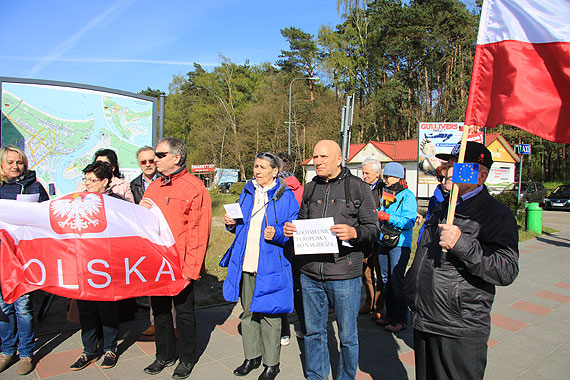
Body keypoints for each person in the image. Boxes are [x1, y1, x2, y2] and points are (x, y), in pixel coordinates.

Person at [404, 141, 519, 380]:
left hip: (459, 326)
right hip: (426, 317)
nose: (451, 171)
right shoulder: (444, 206)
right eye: (451, 165)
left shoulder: (496, 214)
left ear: (482, 175)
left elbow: (506, 270)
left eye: (461, 166)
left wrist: (462, 244)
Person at [283, 140, 379, 380]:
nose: (317, 161)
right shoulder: (310, 188)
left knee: (347, 336)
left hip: (345, 274)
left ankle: (346, 376)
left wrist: (355, 233)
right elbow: (303, 222)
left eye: (323, 157)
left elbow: (373, 230)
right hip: (310, 274)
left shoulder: (358, 188)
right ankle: (316, 376)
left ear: (339, 159)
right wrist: (293, 230)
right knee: (314, 332)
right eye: (315, 157)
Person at [222, 152, 299, 380]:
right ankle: (251, 356)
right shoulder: (247, 192)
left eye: (263, 167)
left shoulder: (286, 196)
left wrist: (277, 233)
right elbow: (241, 225)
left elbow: (293, 226)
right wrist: (232, 223)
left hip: (272, 264)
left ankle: (271, 364)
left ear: (275, 171)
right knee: (248, 312)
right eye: (255, 166)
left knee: (270, 315)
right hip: (246, 261)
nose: (257, 171)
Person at [140, 137, 212, 380]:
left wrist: (191, 268)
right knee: (159, 312)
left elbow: (199, 232)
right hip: (157, 263)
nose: (154, 160)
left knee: (184, 314)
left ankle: (186, 359)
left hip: (181, 264)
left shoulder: (194, 188)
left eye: (159, 155)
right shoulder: (154, 186)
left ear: (176, 157)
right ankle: (164, 356)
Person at [0, 145, 49, 376]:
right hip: (2, 258)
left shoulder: (34, 186)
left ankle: (26, 353)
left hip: (25, 258)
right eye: (10, 162)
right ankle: (6, 351)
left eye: (18, 162)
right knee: (4, 307)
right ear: (2, 164)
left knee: (23, 307)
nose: (14, 166)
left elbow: (47, 215)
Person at [69, 161, 122, 371]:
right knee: (86, 309)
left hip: (107, 264)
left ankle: (110, 348)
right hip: (83, 262)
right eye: (86, 179)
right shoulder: (77, 201)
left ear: (105, 182)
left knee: (107, 308)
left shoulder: (117, 203)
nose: (87, 184)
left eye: (93, 180)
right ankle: (89, 349)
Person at [375, 162, 416, 333]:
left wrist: (388, 217)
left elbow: (409, 221)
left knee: (396, 281)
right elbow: (381, 211)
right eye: (384, 177)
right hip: (383, 241)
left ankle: (401, 319)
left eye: (388, 177)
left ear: (398, 177)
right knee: (385, 280)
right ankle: (390, 315)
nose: (385, 180)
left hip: (399, 244)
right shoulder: (387, 194)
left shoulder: (408, 196)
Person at [276, 151, 304, 345]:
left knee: (282, 287)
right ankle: (303, 328)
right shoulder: (303, 189)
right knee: (300, 289)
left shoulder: (277, 190)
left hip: (282, 245)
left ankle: (283, 332)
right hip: (302, 247)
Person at [360, 157, 385, 321]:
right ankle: (369, 301)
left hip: (379, 237)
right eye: (363, 173)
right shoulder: (362, 187)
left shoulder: (384, 189)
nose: (364, 176)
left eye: (367, 173)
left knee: (380, 274)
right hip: (365, 236)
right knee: (366, 272)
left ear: (377, 173)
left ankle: (379, 306)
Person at [417, 163, 449, 244]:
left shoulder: (459, 200)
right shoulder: (434, 199)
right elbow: (427, 221)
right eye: (440, 178)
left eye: (446, 178)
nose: (443, 182)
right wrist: (421, 239)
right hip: (432, 240)